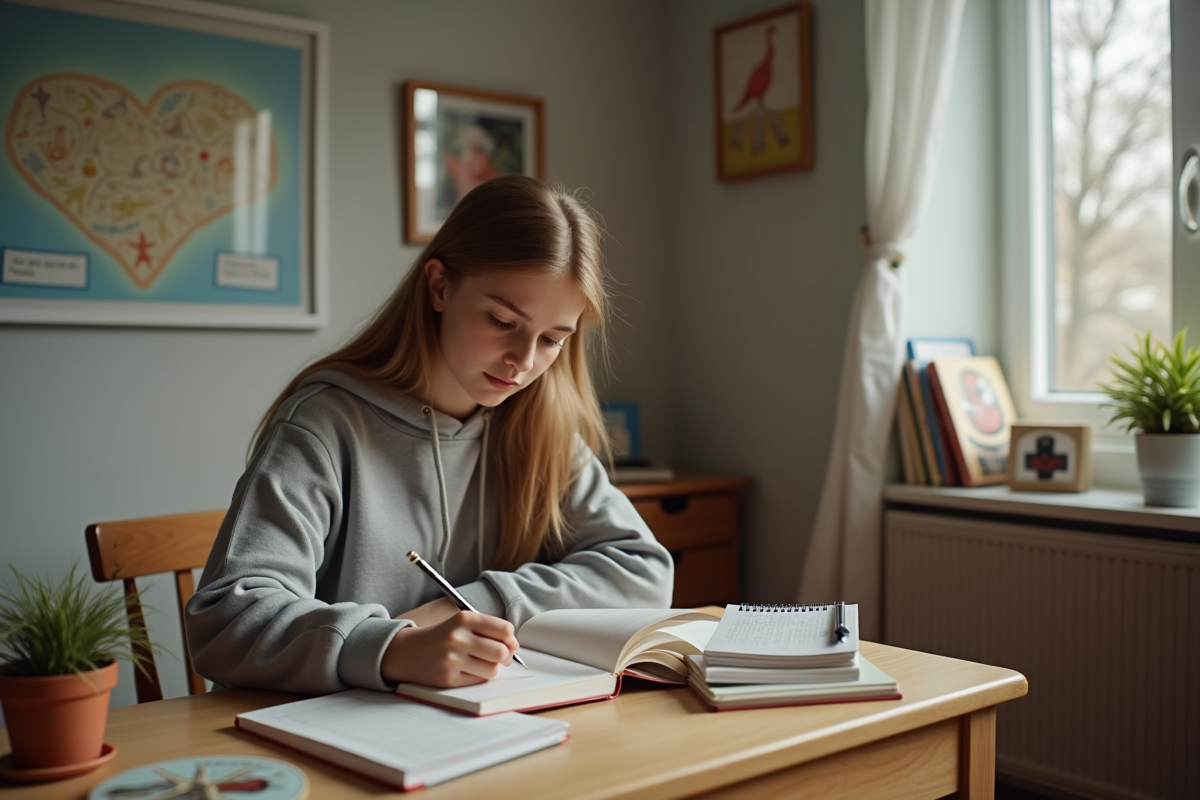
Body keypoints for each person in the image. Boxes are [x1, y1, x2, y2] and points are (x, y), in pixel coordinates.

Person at [184, 176, 673, 696]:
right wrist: (388, 647)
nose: (525, 361)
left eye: (553, 339)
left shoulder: (539, 424)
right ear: (440, 287)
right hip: (329, 738)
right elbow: (226, 619)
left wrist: (472, 604)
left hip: (479, 734)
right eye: (503, 320)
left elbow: (644, 572)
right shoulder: (323, 425)